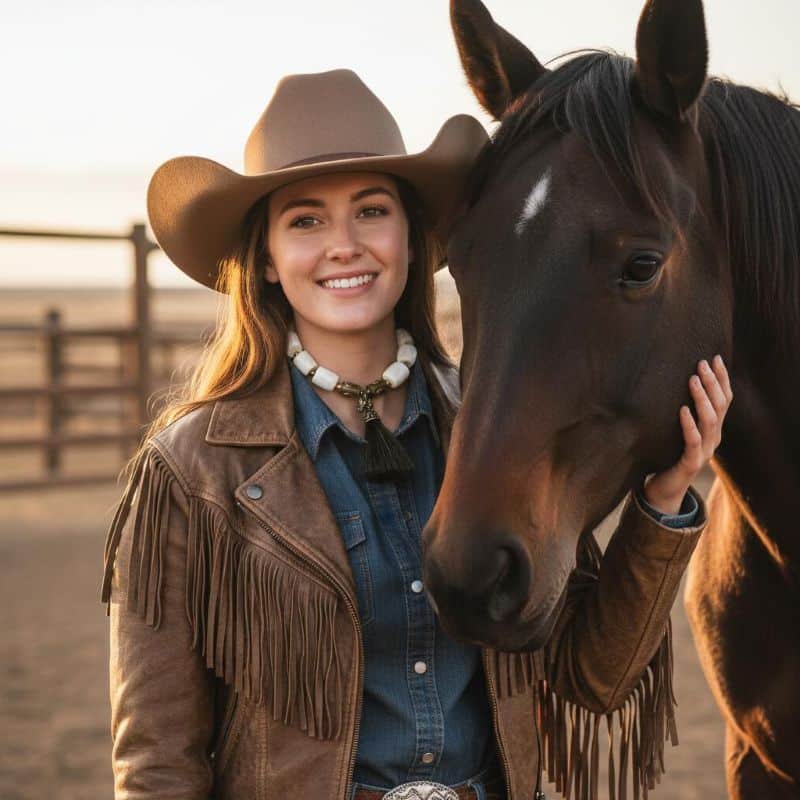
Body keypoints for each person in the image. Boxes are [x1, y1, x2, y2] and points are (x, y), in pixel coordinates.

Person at [101, 68, 731, 800]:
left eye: (371, 211)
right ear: (267, 260)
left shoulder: (490, 428)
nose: (343, 245)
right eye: (305, 220)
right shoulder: (190, 471)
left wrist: (664, 497)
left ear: (410, 235)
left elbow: (592, 677)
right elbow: (157, 762)